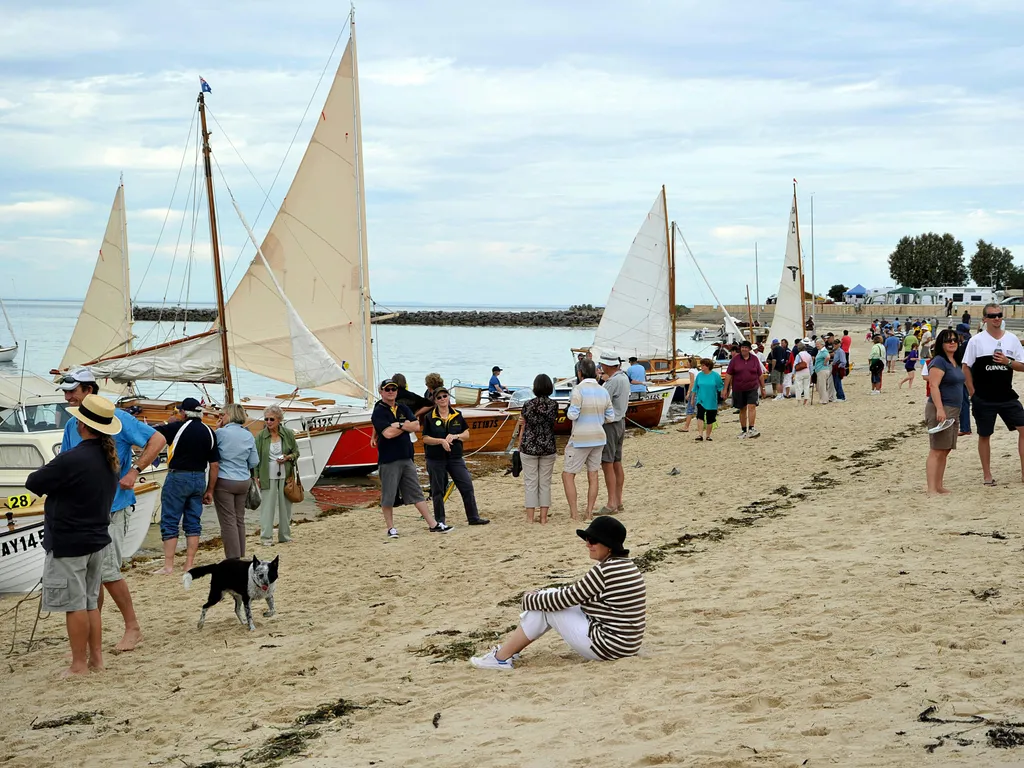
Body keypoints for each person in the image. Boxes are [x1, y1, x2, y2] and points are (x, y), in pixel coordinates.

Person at [59, 367, 164, 652]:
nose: (67, 396)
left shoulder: (119, 419)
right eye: (66, 391)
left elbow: (158, 439)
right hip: (86, 511)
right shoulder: (73, 425)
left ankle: (133, 628)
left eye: (72, 391)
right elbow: (69, 464)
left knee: (106, 571)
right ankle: (96, 632)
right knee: (92, 574)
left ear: (88, 391)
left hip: (115, 507)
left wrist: (134, 471)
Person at [469, 516, 645, 670]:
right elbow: (576, 594)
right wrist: (541, 597)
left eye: (592, 540)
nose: (587, 544)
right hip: (626, 644)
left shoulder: (606, 571)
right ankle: (508, 653)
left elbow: (565, 599)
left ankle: (501, 657)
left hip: (609, 646)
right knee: (548, 598)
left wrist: (529, 599)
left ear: (609, 545)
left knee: (547, 607)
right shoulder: (625, 565)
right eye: (587, 539)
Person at [26, 394, 120, 676]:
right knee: (91, 602)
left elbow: (34, 482)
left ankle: (79, 664)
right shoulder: (108, 459)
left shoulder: (71, 458)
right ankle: (96, 660)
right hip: (97, 540)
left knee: (75, 605)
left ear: (82, 425)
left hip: (70, 541)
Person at [372, 379, 451, 538]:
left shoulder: (402, 407)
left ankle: (433, 524)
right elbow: (387, 434)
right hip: (389, 459)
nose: (391, 392)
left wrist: (399, 425)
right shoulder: (379, 411)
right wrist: (404, 425)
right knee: (388, 495)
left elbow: (415, 426)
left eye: (393, 389)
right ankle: (390, 528)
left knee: (416, 493)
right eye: (387, 389)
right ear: (381, 392)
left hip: (407, 457)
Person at [154, 398, 219, 574]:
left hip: (178, 476)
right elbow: (214, 465)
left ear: (184, 412)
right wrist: (210, 490)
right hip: (199, 478)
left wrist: (165, 423)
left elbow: (151, 433)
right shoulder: (209, 432)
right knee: (193, 522)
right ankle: (189, 564)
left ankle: (168, 565)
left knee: (170, 520)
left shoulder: (177, 428)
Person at [961, 303, 1024, 486]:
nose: (997, 318)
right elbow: (966, 366)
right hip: (984, 397)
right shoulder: (977, 341)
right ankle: (987, 475)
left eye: (999, 315)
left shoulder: (1012, 339)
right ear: (985, 319)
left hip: (1007, 396)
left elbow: (1022, 366)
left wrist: (1007, 362)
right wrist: (972, 391)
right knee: (984, 435)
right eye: (993, 315)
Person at [421, 386, 489, 526]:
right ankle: (440, 521)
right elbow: (425, 438)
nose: (442, 399)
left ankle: (473, 517)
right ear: (435, 400)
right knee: (438, 490)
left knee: (467, 486)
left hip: (455, 457)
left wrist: (456, 436)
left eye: (444, 396)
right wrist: (440, 441)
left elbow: (467, 434)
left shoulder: (457, 414)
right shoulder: (429, 417)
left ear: (448, 397)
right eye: (439, 397)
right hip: (435, 458)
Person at [562, 358, 614, 522]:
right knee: (593, 475)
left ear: (580, 373)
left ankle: (574, 513)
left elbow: (572, 414)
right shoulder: (603, 390)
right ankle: (589, 511)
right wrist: (597, 420)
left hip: (580, 438)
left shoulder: (578, 390)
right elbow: (611, 417)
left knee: (568, 475)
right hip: (599, 437)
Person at [213, 403, 259, 559]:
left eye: (222, 415)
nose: (221, 418)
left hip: (225, 479)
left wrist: (216, 428)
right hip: (243, 480)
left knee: (228, 521)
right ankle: (241, 554)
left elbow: (211, 454)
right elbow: (254, 461)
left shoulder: (221, 433)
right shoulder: (248, 434)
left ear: (229, 415)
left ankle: (233, 558)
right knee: (239, 519)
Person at [926, 329, 966, 494]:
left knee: (946, 448)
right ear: (941, 344)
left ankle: (939, 485)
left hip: (954, 409)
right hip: (941, 407)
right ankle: (931, 489)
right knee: (936, 449)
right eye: (948, 340)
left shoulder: (954, 361)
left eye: (954, 340)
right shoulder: (939, 361)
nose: (952, 343)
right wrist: (940, 409)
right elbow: (933, 386)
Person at [518, 374, 558, 524]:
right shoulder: (554, 405)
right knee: (545, 482)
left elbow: (524, 424)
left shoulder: (528, 404)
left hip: (529, 446)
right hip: (548, 446)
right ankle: (543, 517)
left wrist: (519, 443)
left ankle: (530, 517)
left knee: (530, 482)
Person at [598, 353, 629, 515]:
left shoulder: (613, 382)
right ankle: (618, 500)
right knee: (617, 461)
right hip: (620, 422)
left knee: (607, 463)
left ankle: (611, 504)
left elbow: (600, 400)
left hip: (610, 425)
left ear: (607, 365)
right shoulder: (623, 378)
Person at [723, 340, 765, 438]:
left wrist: (763, 388)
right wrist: (725, 389)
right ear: (740, 349)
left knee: (752, 406)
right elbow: (728, 375)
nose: (744, 349)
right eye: (742, 347)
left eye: (746, 347)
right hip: (739, 388)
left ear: (749, 349)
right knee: (742, 409)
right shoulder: (735, 360)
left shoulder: (754, 359)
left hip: (752, 387)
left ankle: (751, 428)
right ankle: (743, 430)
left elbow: (760, 374)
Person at [692, 358, 723, 441]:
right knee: (700, 416)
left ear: (708, 366)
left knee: (710, 419)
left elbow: (720, 387)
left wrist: (724, 394)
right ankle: (700, 435)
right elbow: (695, 388)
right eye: (701, 365)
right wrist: (692, 399)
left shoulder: (715, 376)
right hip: (701, 399)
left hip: (711, 400)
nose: (701, 367)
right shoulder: (699, 375)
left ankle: (708, 436)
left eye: (703, 365)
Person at [792, 341, 814, 405]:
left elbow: (795, 364)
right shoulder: (809, 355)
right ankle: (806, 400)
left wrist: (793, 373)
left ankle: (799, 400)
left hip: (800, 372)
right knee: (806, 386)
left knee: (798, 386)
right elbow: (811, 365)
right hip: (807, 372)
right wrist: (811, 373)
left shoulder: (798, 355)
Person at [813, 338, 833, 404]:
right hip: (820, 370)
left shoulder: (824, 351)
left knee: (822, 386)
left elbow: (828, 357)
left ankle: (824, 400)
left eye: (818, 344)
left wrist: (825, 362)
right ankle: (824, 398)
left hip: (822, 370)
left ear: (822, 344)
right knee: (821, 386)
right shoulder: (820, 351)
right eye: (816, 344)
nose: (816, 345)